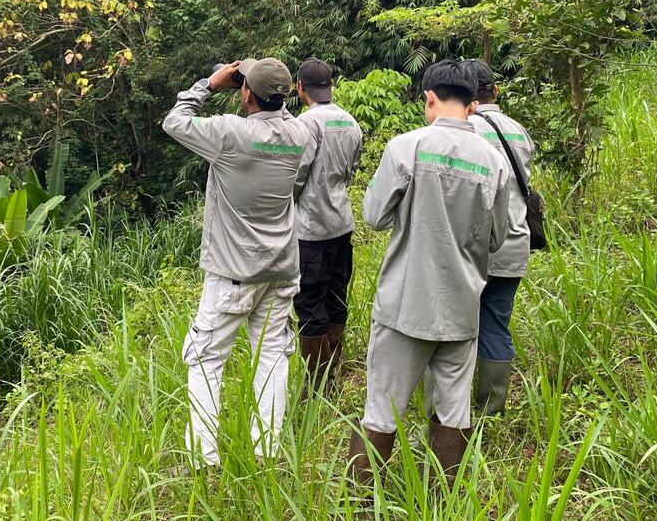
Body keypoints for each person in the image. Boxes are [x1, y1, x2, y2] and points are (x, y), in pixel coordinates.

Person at [347, 59, 512, 488]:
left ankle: (361, 505)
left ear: (430, 98)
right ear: (472, 105)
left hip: (405, 304)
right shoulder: (493, 161)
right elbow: (497, 237)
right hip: (462, 307)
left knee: (382, 409)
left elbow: (373, 216)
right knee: (454, 412)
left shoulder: (407, 147)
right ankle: (443, 502)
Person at [162, 57, 312, 469]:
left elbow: (175, 121)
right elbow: (272, 126)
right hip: (281, 268)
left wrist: (208, 84)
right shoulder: (300, 134)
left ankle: (203, 461)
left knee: (207, 359)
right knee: (272, 358)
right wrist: (250, 92)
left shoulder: (229, 135)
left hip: (232, 273)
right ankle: (267, 452)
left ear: (245, 93)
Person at [461, 58, 536, 415]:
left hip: (473, 245)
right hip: (515, 242)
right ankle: (491, 407)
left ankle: (453, 404)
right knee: (496, 323)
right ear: (494, 90)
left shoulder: (465, 129)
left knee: (458, 323)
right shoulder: (518, 130)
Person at [292, 58, 363, 395]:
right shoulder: (351, 122)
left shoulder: (306, 124)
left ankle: (317, 384)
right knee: (337, 294)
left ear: (299, 86)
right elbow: (351, 170)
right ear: (331, 83)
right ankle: (332, 367)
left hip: (311, 227)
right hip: (342, 220)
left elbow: (297, 175)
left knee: (309, 300)